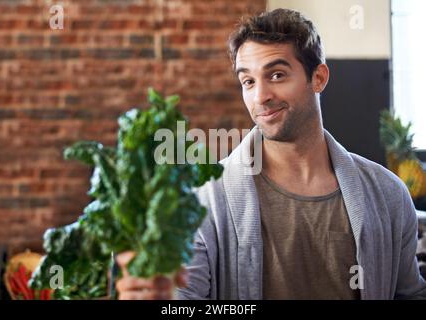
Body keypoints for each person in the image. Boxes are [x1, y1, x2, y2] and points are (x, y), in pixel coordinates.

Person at [116, 8, 426, 299]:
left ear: (318, 78)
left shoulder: (388, 194)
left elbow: (409, 295)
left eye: (277, 75)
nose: (260, 96)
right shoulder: (203, 200)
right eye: (248, 81)